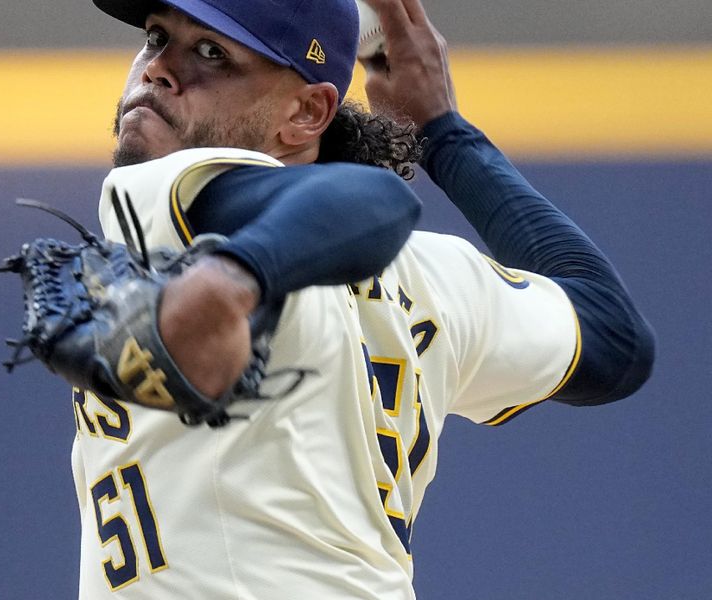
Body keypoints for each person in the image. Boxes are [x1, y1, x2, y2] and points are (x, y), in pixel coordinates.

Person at [68, 0, 655, 597]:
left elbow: (376, 198)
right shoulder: (433, 277)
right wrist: (444, 133)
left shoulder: (165, 198)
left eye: (212, 52)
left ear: (306, 111)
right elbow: (614, 337)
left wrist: (229, 277)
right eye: (156, 37)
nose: (159, 69)